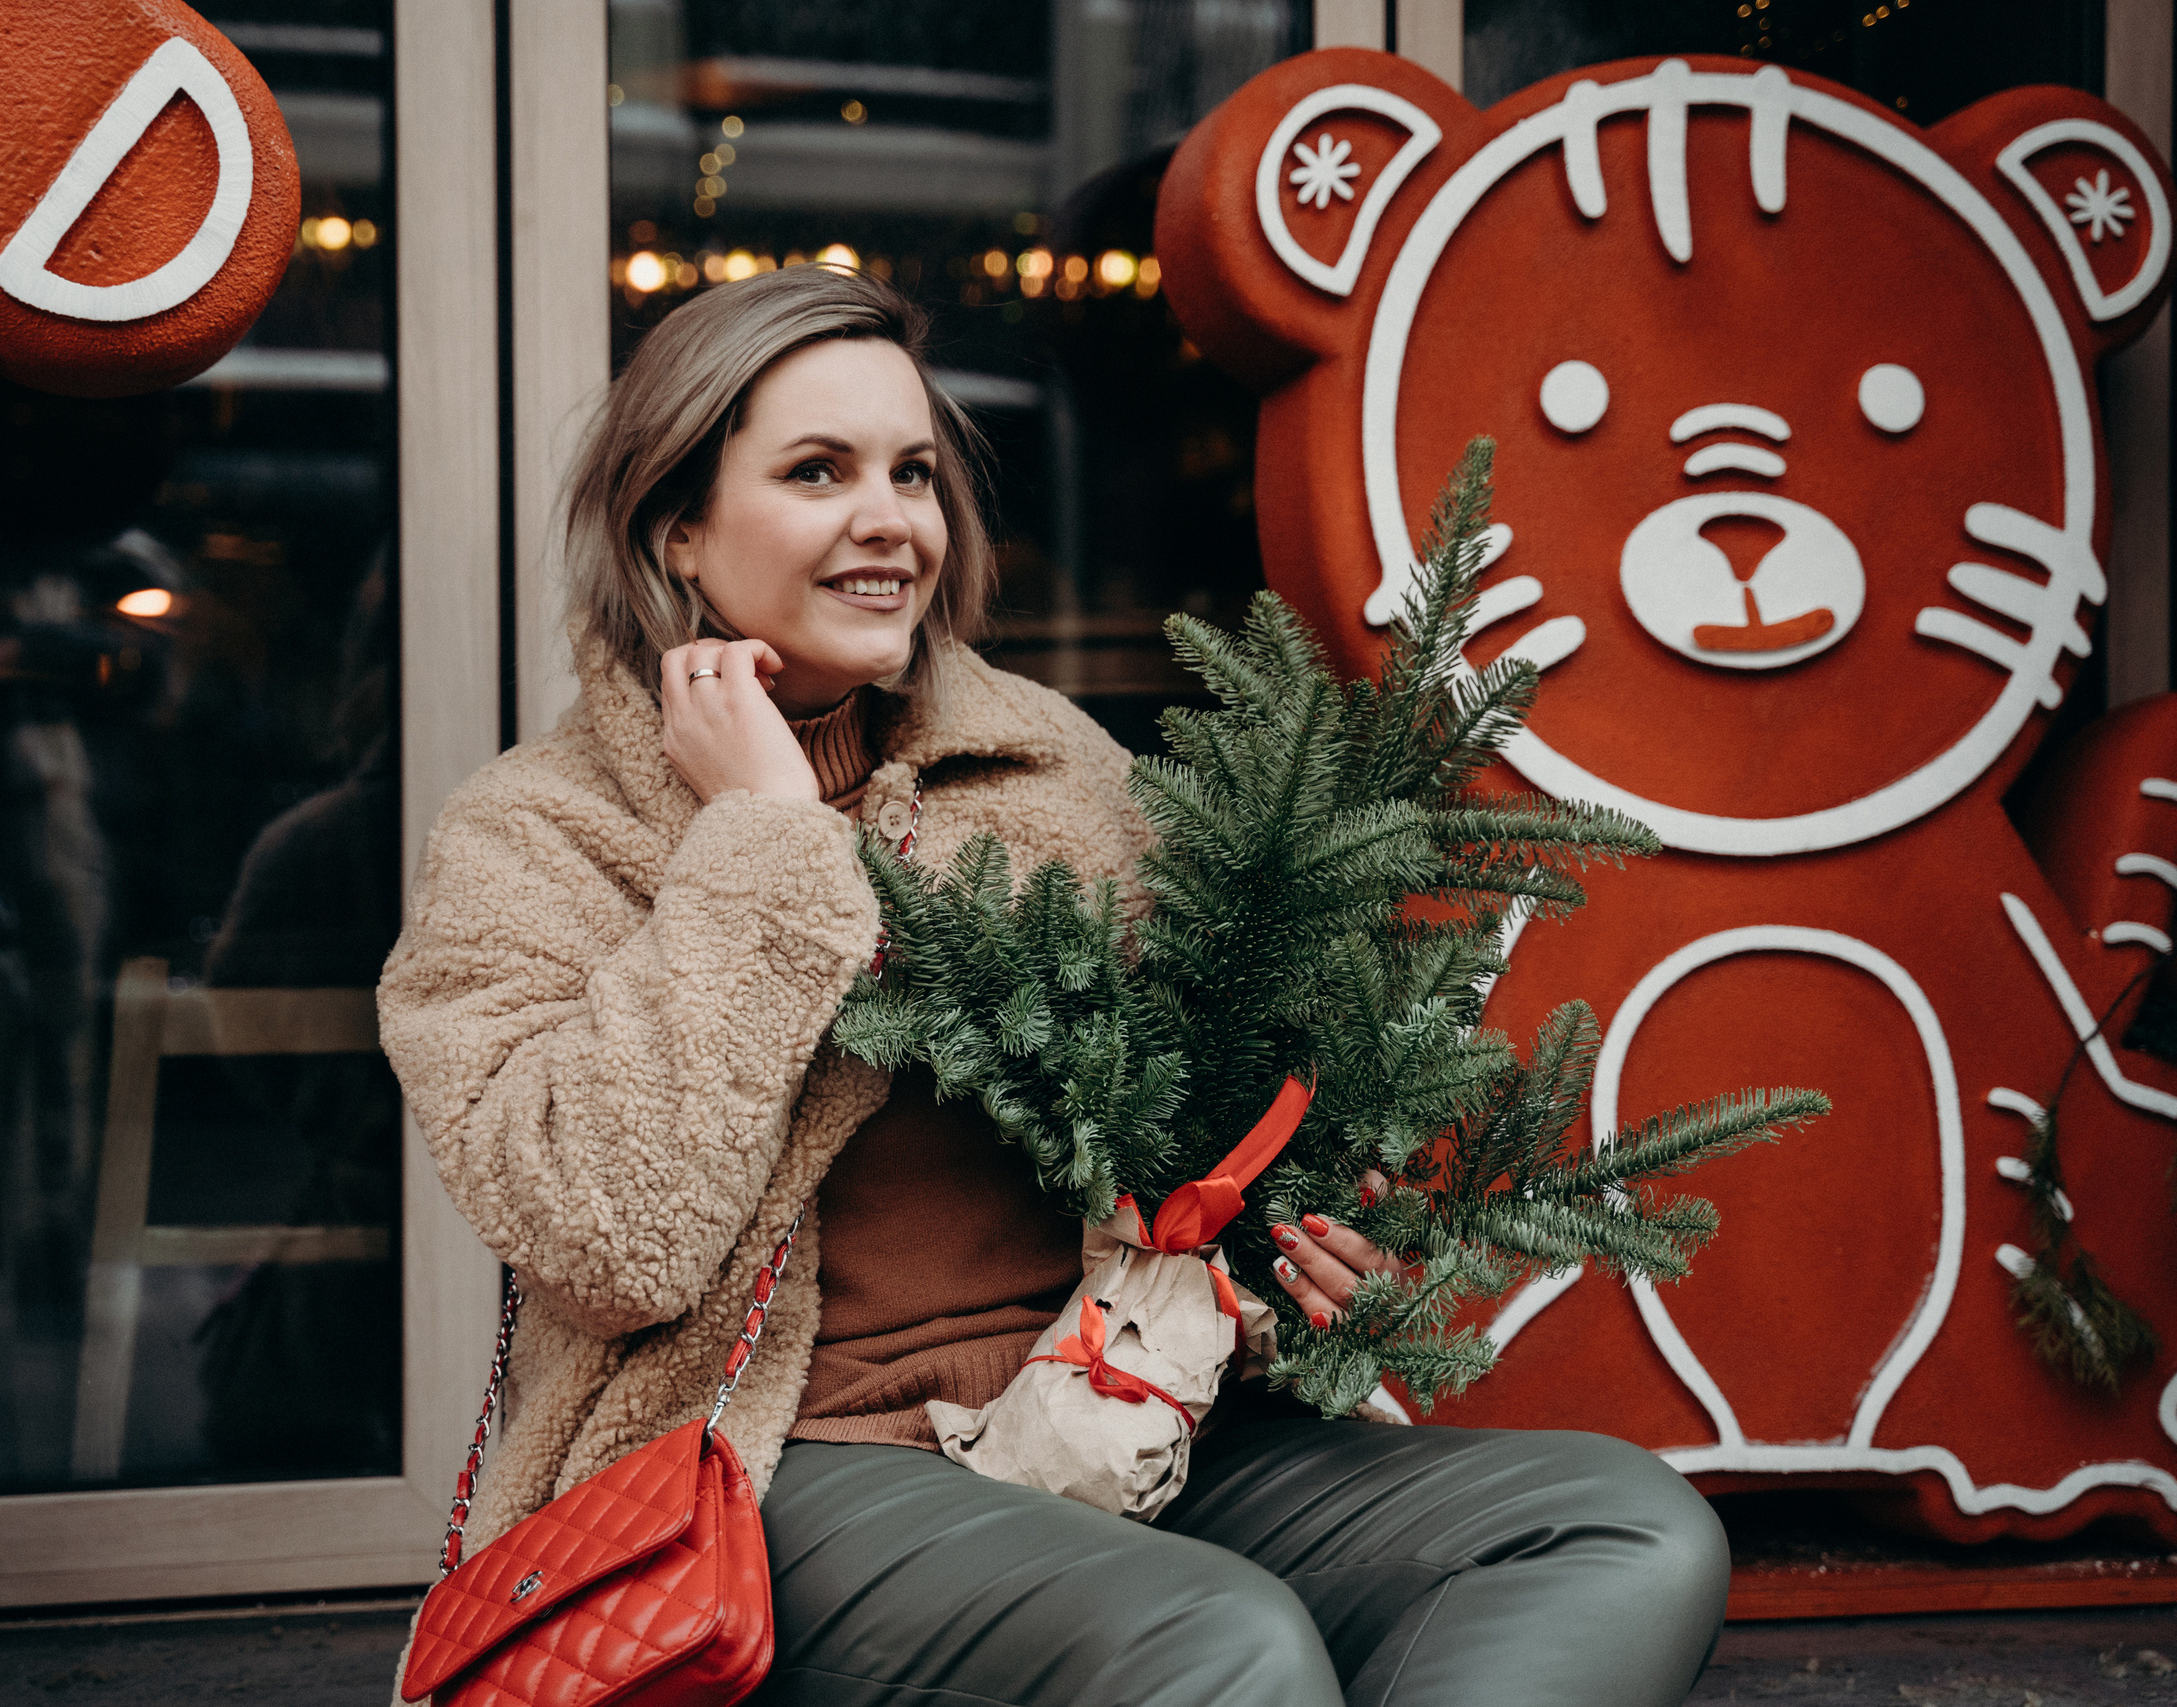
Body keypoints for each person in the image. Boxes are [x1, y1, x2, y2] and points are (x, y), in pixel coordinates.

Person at [377, 265, 1730, 1707]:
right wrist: (760, 844)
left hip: (1122, 1402)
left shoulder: (1053, 770)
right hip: (788, 1467)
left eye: (913, 471)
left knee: (1618, 1530)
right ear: (682, 531)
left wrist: (1301, 1244)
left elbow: (1227, 1106)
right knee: (1217, 1645)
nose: (890, 518)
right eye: (817, 471)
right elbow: (607, 1242)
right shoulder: (537, 838)